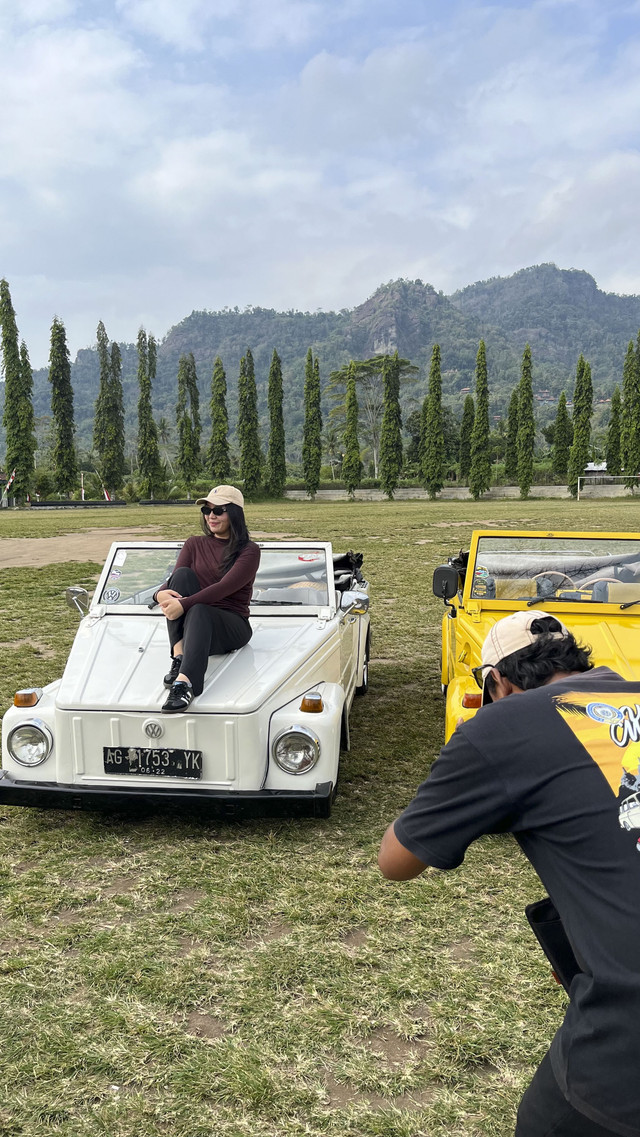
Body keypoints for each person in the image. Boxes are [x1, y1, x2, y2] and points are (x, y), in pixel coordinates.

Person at [378, 609, 640, 1137]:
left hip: (626, 1033)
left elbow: (396, 860)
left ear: (497, 680)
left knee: (554, 1120)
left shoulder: (503, 723)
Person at [154, 485, 260, 713]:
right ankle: (179, 655)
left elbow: (224, 587)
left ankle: (186, 682)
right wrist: (159, 593)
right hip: (195, 620)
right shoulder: (194, 543)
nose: (211, 516)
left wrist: (182, 604)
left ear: (234, 513)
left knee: (199, 608)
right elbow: (176, 577)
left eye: (219, 510)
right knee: (182, 576)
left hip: (232, 624)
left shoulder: (249, 550)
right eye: (206, 510)